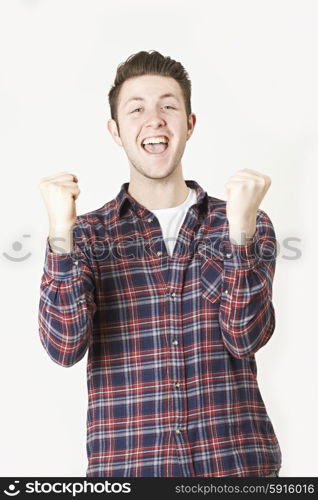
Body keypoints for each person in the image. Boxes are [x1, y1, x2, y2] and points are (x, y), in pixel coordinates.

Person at [38, 50, 282, 477]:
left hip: (236, 469)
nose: (154, 119)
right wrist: (61, 231)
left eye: (168, 106)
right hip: (132, 470)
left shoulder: (247, 219)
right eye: (137, 110)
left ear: (189, 124)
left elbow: (246, 336)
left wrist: (240, 231)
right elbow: (63, 347)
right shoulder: (85, 234)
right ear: (116, 131)